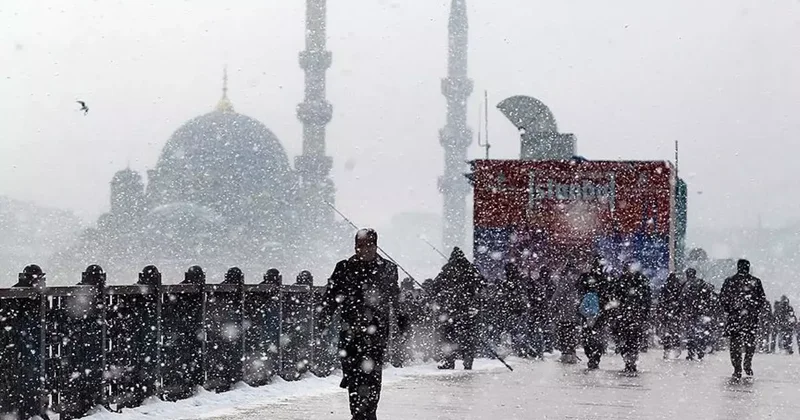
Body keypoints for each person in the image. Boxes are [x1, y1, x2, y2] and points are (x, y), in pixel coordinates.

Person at [316, 229, 400, 420]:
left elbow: (395, 299)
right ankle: (358, 411)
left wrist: (402, 321)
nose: (363, 250)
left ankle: (367, 412)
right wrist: (324, 317)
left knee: (372, 375)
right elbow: (331, 297)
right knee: (353, 375)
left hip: (376, 333)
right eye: (359, 246)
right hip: (350, 332)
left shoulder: (388, 269)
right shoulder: (344, 268)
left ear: (375, 246)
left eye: (367, 246)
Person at [429, 247, 484, 370]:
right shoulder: (471, 270)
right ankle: (468, 361)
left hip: (451, 310)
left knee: (448, 337)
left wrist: (440, 296)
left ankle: (449, 361)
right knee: (468, 337)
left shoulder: (447, 270)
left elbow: (435, 287)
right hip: (467, 310)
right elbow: (481, 284)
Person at [719, 259, 768, 380]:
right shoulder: (755, 282)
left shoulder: (730, 281)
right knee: (750, 342)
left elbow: (723, 298)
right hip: (750, 318)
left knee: (735, 344)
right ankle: (747, 362)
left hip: (735, 318)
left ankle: (737, 368)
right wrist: (753, 309)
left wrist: (730, 309)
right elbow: (762, 299)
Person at [610, 260, 652, 374]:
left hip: (631, 316)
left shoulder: (636, 281)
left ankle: (630, 361)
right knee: (627, 340)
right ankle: (629, 361)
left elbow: (647, 299)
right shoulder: (624, 281)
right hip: (627, 316)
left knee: (631, 340)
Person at [577, 256, 613, 370]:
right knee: (597, 337)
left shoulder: (586, 277)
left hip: (587, 313)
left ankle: (592, 356)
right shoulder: (605, 278)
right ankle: (595, 358)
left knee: (588, 336)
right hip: (600, 313)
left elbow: (579, 290)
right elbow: (609, 295)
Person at [680, 268, 715, 360]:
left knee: (690, 333)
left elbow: (681, 298)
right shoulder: (702, 283)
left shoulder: (686, 284)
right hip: (701, 312)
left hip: (690, 312)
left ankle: (691, 353)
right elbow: (711, 291)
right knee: (700, 333)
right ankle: (700, 351)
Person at [551, 261, 582, 364]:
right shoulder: (578, 280)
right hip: (575, 312)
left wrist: (553, 306)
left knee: (563, 333)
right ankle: (572, 353)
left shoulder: (564, 281)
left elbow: (557, 296)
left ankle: (566, 354)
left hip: (564, 313)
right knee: (572, 333)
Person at [527, 266, 555, 359]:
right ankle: (542, 348)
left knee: (541, 330)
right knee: (540, 330)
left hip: (541, 310)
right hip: (540, 310)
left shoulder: (546, 284)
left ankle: (544, 348)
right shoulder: (538, 283)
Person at [657, 272, 684, 359]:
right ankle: (676, 348)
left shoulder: (665, 287)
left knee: (667, 332)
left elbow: (661, 300)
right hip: (675, 313)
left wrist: (661, 310)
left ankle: (667, 349)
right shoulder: (679, 287)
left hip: (667, 313)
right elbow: (681, 300)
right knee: (675, 332)